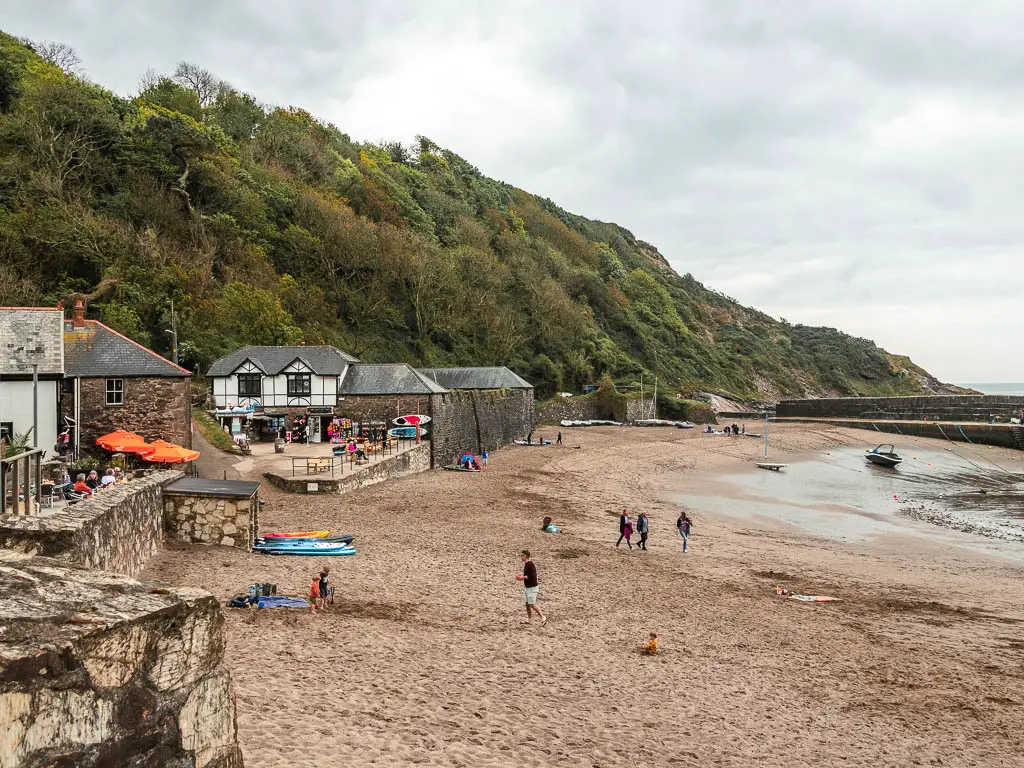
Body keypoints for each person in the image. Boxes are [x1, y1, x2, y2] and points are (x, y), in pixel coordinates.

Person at [514, 550, 546, 625]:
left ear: (526, 556)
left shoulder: (530, 564)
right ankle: (529, 620)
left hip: (532, 588)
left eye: (522, 555)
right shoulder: (526, 564)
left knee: (532, 604)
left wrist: (522, 577)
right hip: (527, 587)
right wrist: (522, 577)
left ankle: (543, 617)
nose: (521, 557)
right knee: (527, 604)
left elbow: (532, 576)